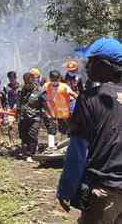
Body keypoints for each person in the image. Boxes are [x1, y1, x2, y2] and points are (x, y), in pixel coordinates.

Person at [57, 38, 122, 223]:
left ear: (103, 65)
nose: (86, 66)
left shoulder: (89, 99)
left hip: (105, 190)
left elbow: (78, 151)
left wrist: (66, 189)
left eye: (91, 61)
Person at [44, 70, 78, 144]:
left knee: (70, 128)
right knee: (61, 129)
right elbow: (42, 95)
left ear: (59, 79)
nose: (54, 81)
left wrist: (81, 101)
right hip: (55, 112)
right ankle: (57, 145)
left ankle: (69, 143)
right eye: (52, 79)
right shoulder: (46, 86)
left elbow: (73, 94)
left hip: (66, 112)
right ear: (50, 78)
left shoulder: (64, 86)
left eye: (56, 79)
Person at [17, 72, 45, 162]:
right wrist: (17, 114)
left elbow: (45, 103)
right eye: (26, 83)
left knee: (32, 134)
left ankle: (31, 154)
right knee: (23, 136)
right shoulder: (21, 90)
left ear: (33, 81)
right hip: (23, 117)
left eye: (29, 83)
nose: (27, 85)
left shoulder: (40, 90)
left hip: (35, 117)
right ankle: (25, 150)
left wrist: (49, 114)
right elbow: (19, 102)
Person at [4, 71, 20, 147]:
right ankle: (11, 142)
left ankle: (18, 141)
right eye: (10, 78)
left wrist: (17, 105)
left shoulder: (20, 87)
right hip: (10, 108)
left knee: (20, 126)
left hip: (19, 108)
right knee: (10, 125)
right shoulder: (6, 87)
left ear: (16, 78)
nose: (11, 80)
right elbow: (4, 99)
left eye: (13, 78)